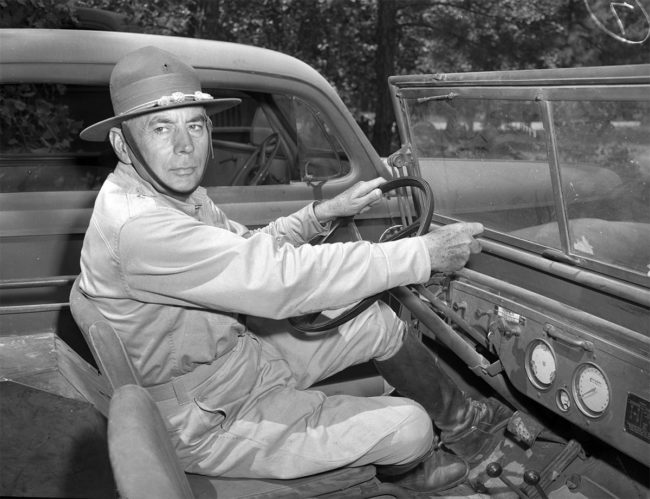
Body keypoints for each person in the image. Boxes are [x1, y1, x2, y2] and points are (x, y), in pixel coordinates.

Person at [77, 46, 511, 494]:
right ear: (122, 144)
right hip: (209, 418)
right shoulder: (141, 227)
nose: (184, 145)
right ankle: (403, 471)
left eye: (195, 125)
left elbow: (250, 251)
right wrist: (421, 254)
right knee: (410, 427)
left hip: (238, 361)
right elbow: (279, 279)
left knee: (372, 322)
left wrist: (322, 214)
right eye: (161, 127)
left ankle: (466, 426)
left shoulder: (171, 197)